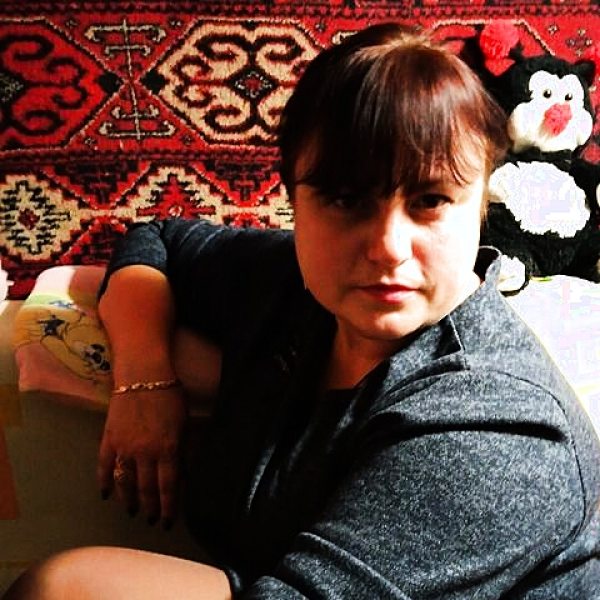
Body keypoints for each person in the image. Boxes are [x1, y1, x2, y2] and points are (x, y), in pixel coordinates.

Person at [3, 21, 600, 600]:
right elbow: (155, 239)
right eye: (345, 199)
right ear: (294, 199)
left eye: (430, 200)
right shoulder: (295, 285)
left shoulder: (501, 432)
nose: (387, 247)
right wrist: (144, 381)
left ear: (480, 206)